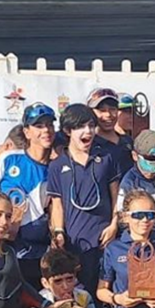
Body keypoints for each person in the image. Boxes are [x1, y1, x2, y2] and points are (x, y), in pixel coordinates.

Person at [45, 103, 121, 294]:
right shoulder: (57, 165)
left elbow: (117, 196)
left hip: (104, 240)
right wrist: (59, 233)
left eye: (91, 126)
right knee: (80, 295)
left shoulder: (107, 157)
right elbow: (57, 205)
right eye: (80, 126)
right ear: (67, 131)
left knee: (105, 292)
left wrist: (114, 225)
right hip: (74, 243)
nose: (87, 131)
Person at [0, 102, 57, 284]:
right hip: (4, 245)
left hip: (37, 250)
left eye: (49, 125)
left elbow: (56, 208)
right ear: (27, 132)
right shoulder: (10, 158)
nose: (46, 130)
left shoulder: (57, 167)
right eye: (39, 126)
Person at [30, 246, 104, 308]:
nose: (65, 286)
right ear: (45, 283)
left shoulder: (83, 297)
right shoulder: (40, 300)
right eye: (58, 281)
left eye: (69, 279)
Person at [88, 87, 133, 176]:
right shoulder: (88, 145)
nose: (108, 114)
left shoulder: (128, 142)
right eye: (102, 110)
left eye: (112, 109)